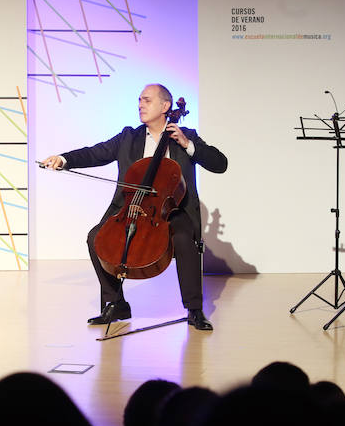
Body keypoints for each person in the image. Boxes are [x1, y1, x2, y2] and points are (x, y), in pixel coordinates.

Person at [42, 84, 228, 330]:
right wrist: (64, 159)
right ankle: (115, 303)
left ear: (165, 106)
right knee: (95, 237)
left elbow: (220, 164)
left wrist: (187, 145)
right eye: (139, 100)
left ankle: (194, 309)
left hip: (173, 211)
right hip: (133, 208)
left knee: (184, 239)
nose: (140, 104)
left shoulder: (186, 135)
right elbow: (94, 154)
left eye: (147, 100)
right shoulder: (129, 136)